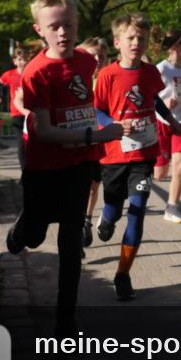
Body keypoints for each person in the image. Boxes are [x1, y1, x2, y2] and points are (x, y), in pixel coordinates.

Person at [5, 0, 123, 331]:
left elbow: (85, 103)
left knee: (70, 246)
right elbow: (43, 131)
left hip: (80, 165)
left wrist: (96, 131)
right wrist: (94, 135)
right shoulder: (36, 72)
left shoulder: (87, 61)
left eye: (69, 24)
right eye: (54, 26)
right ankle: (25, 226)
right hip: (44, 167)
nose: (63, 32)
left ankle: (65, 320)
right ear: (38, 29)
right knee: (35, 237)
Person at [93, 14, 173, 301]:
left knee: (137, 210)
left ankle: (123, 274)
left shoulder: (151, 72)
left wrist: (170, 120)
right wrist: (112, 125)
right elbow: (97, 110)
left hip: (144, 152)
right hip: (114, 155)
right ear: (117, 42)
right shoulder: (107, 75)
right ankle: (106, 218)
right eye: (130, 38)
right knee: (114, 208)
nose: (136, 43)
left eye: (141, 38)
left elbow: (154, 99)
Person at [154, 30, 181, 224]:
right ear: (176, 46)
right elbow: (151, 96)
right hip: (161, 122)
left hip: (180, 123)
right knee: (159, 173)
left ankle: (172, 207)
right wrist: (165, 102)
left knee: (180, 165)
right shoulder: (162, 69)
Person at [78, 37, 111, 248]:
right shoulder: (76, 79)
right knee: (78, 187)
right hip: (77, 139)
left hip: (101, 142)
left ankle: (87, 221)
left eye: (101, 56)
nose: (97, 59)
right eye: (93, 55)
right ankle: (76, 226)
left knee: (93, 186)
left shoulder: (108, 78)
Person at [0, 46, 32, 167]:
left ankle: (34, 169)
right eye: (19, 59)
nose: (22, 62)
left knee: (32, 142)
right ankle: (24, 172)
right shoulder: (9, 74)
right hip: (17, 113)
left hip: (30, 111)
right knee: (21, 144)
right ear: (14, 61)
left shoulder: (31, 72)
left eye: (24, 59)